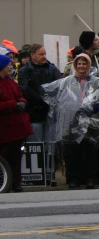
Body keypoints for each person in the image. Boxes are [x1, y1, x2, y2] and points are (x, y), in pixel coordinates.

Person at [42, 53, 99, 189]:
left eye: (84, 63)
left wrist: (92, 108)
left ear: (89, 65)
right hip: (71, 122)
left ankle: (90, 178)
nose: (81, 66)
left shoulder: (97, 82)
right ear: (75, 65)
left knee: (90, 151)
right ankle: (73, 178)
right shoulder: (66, 82)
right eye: (79, 64)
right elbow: (56, 98)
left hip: (91, 122)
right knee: (71, 152)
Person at [0, 53, 33, 192]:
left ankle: (16, 182)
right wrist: (14, 104)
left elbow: (20, 96)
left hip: (17, 127)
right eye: (9, 64)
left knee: (17, 156)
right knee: (4, 156)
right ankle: (5, 182)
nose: (11, 66)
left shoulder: (11, 81)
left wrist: (23, 102)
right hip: (4, 128)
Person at [17, 44, 62, 143]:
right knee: (35, 146)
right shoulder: (24, 71)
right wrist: (44, 99)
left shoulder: (52, 69)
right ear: (32, 55)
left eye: (45, 54)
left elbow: (60, 85)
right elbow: (24, 89)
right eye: (41, 54)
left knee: (49, 147)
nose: (44, 56)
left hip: (50, 114)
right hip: (34, 115)